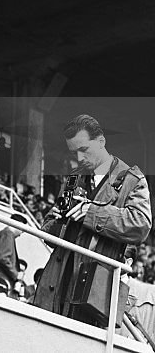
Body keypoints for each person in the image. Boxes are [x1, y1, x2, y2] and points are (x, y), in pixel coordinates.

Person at [33, 114, 152, 326]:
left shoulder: (132, 180)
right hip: (54, 289)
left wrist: (91, 213)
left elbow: (141, 224)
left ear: (101, 142)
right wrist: (62, 218)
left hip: (92, 296)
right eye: (73, 152)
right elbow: (49, 230)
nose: (79, 159)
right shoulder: (73, 179)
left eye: (84, 150)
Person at [0, 215, 27, 296]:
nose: (21, 234)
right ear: (19, 225)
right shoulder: (7, 235)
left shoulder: (3, 234)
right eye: (22, 230)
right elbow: (3, 258)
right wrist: (16, 274)